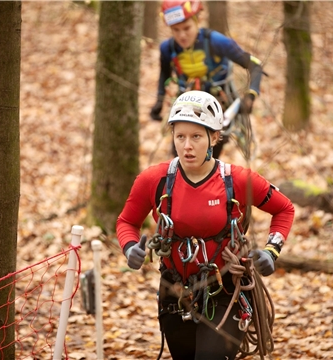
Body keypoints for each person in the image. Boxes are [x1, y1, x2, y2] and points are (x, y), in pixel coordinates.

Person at [117, 91, 294, 360]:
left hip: (225, 291)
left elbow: (284, 208)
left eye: (196, 136)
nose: (187, 146)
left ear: (214, 137)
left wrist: (272, 250)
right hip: (174, 291)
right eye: (180, 136)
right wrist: (130, 248)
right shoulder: (154, 180)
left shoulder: (237, 180)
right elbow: (127, 221)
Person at [150, 0, 264, 159]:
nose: (181, 35)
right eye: (175, 30)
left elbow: (255, 66)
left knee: (208, 158)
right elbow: (165, 75)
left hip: (218, 109)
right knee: (180, 157)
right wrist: (159, 102)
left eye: (187, 28)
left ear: (197, 20)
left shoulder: (216, 42)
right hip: (186, 109)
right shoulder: (168, 48)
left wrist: (250, 96)